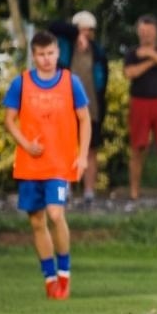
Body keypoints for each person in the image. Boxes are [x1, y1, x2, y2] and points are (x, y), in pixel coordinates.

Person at [4, 29, 91, 300]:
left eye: (51, 53)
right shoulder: (21, 83)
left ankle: (64, 273)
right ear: (33, 56)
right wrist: (25, 143)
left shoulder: (70, 82)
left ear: (58, 53)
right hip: (30, 166)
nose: (46, 59)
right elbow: (9, 120)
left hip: (60, 164)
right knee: (37, 222)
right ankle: (49, 278)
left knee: (55, 214)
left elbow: (85, 119)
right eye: (41, 54)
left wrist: (83, 155)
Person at [123, 14, 157, 202]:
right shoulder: (132, 53)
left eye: (149, 31)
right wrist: (152, 61)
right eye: (142, 31)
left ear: (155, 32)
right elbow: (131, 73)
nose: (145, 35)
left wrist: (151, 54)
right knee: (138, 148)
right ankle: (134, 193)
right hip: (139, 102)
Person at [58, 11, 108, 202]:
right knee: (67, 148)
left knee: (91, 150)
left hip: (91, 108)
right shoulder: (65, 48)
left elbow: (103, 81)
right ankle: (67, 189)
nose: (87, 33)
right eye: (83, 29)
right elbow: (54, 27)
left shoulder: (98, 52)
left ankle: (89, 192)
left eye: (90, 30)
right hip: (66, 108)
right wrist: (75, 33)